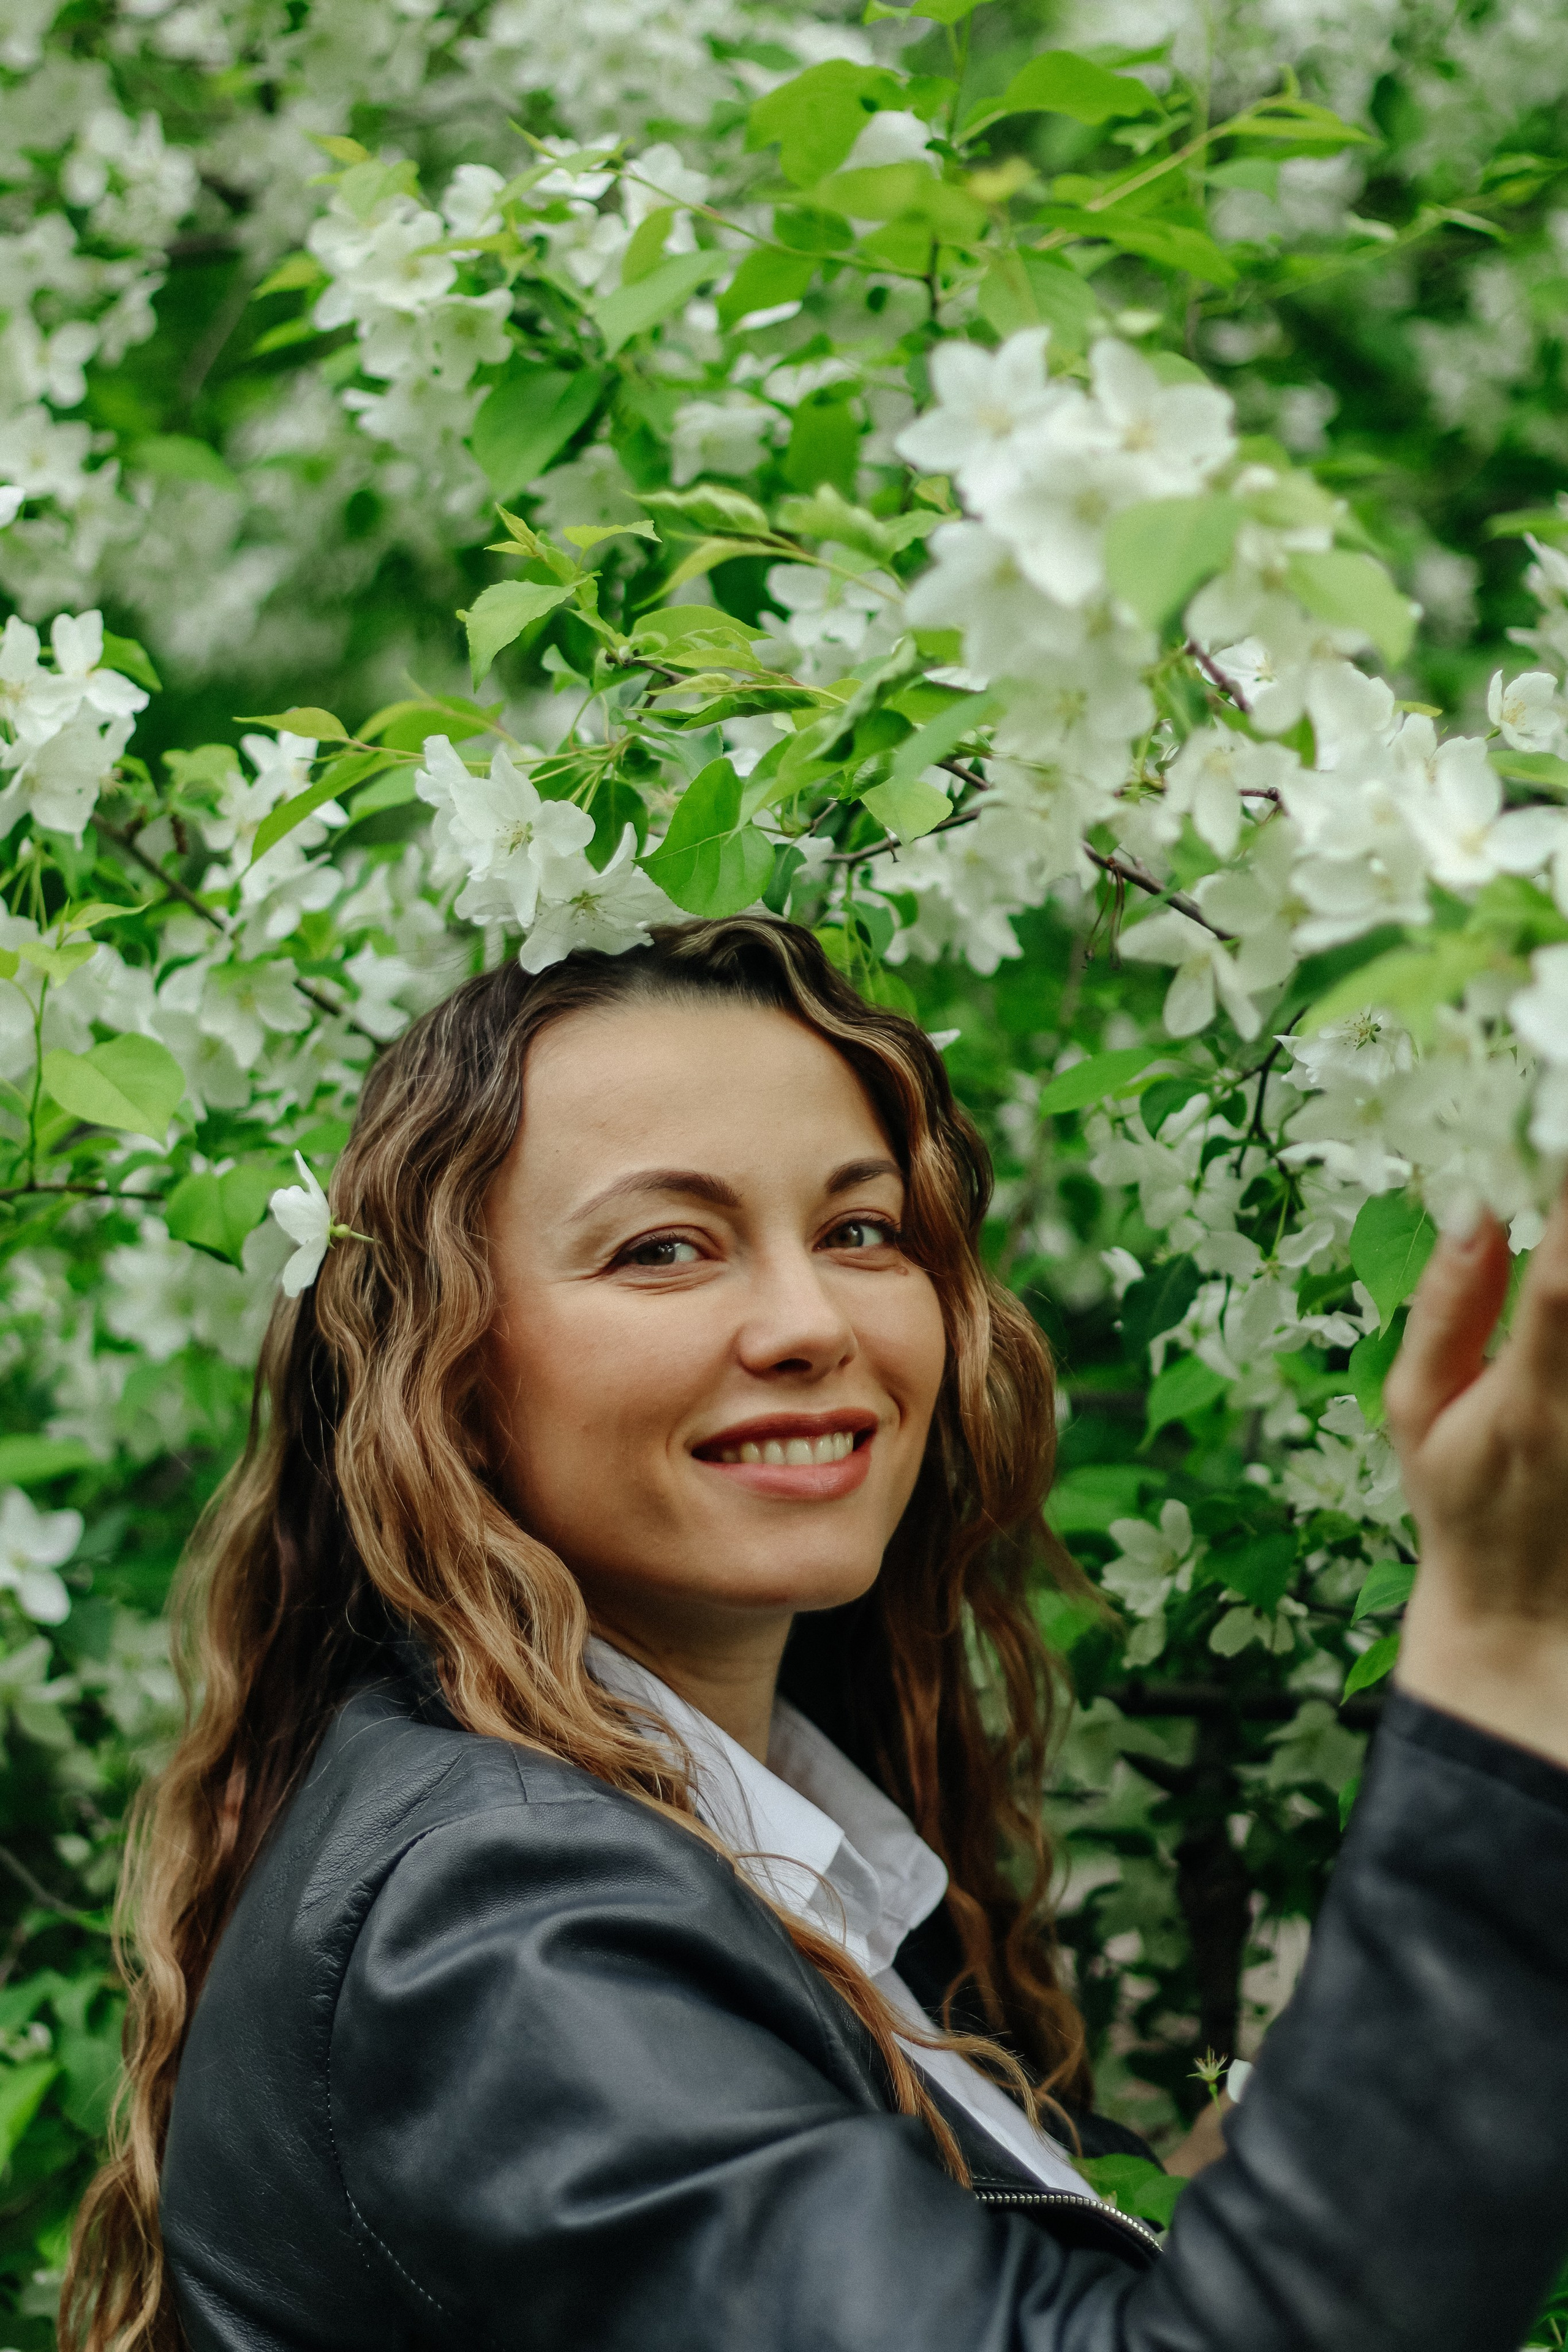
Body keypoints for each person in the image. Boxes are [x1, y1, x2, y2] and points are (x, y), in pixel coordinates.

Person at [61, 915, 1568, 2352]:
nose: (807, 1323)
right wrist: (1502, 1656)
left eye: (860, 1227)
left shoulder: (765, 1846)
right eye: (662, 1248)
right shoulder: (500, 1933)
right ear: (443, 1364)